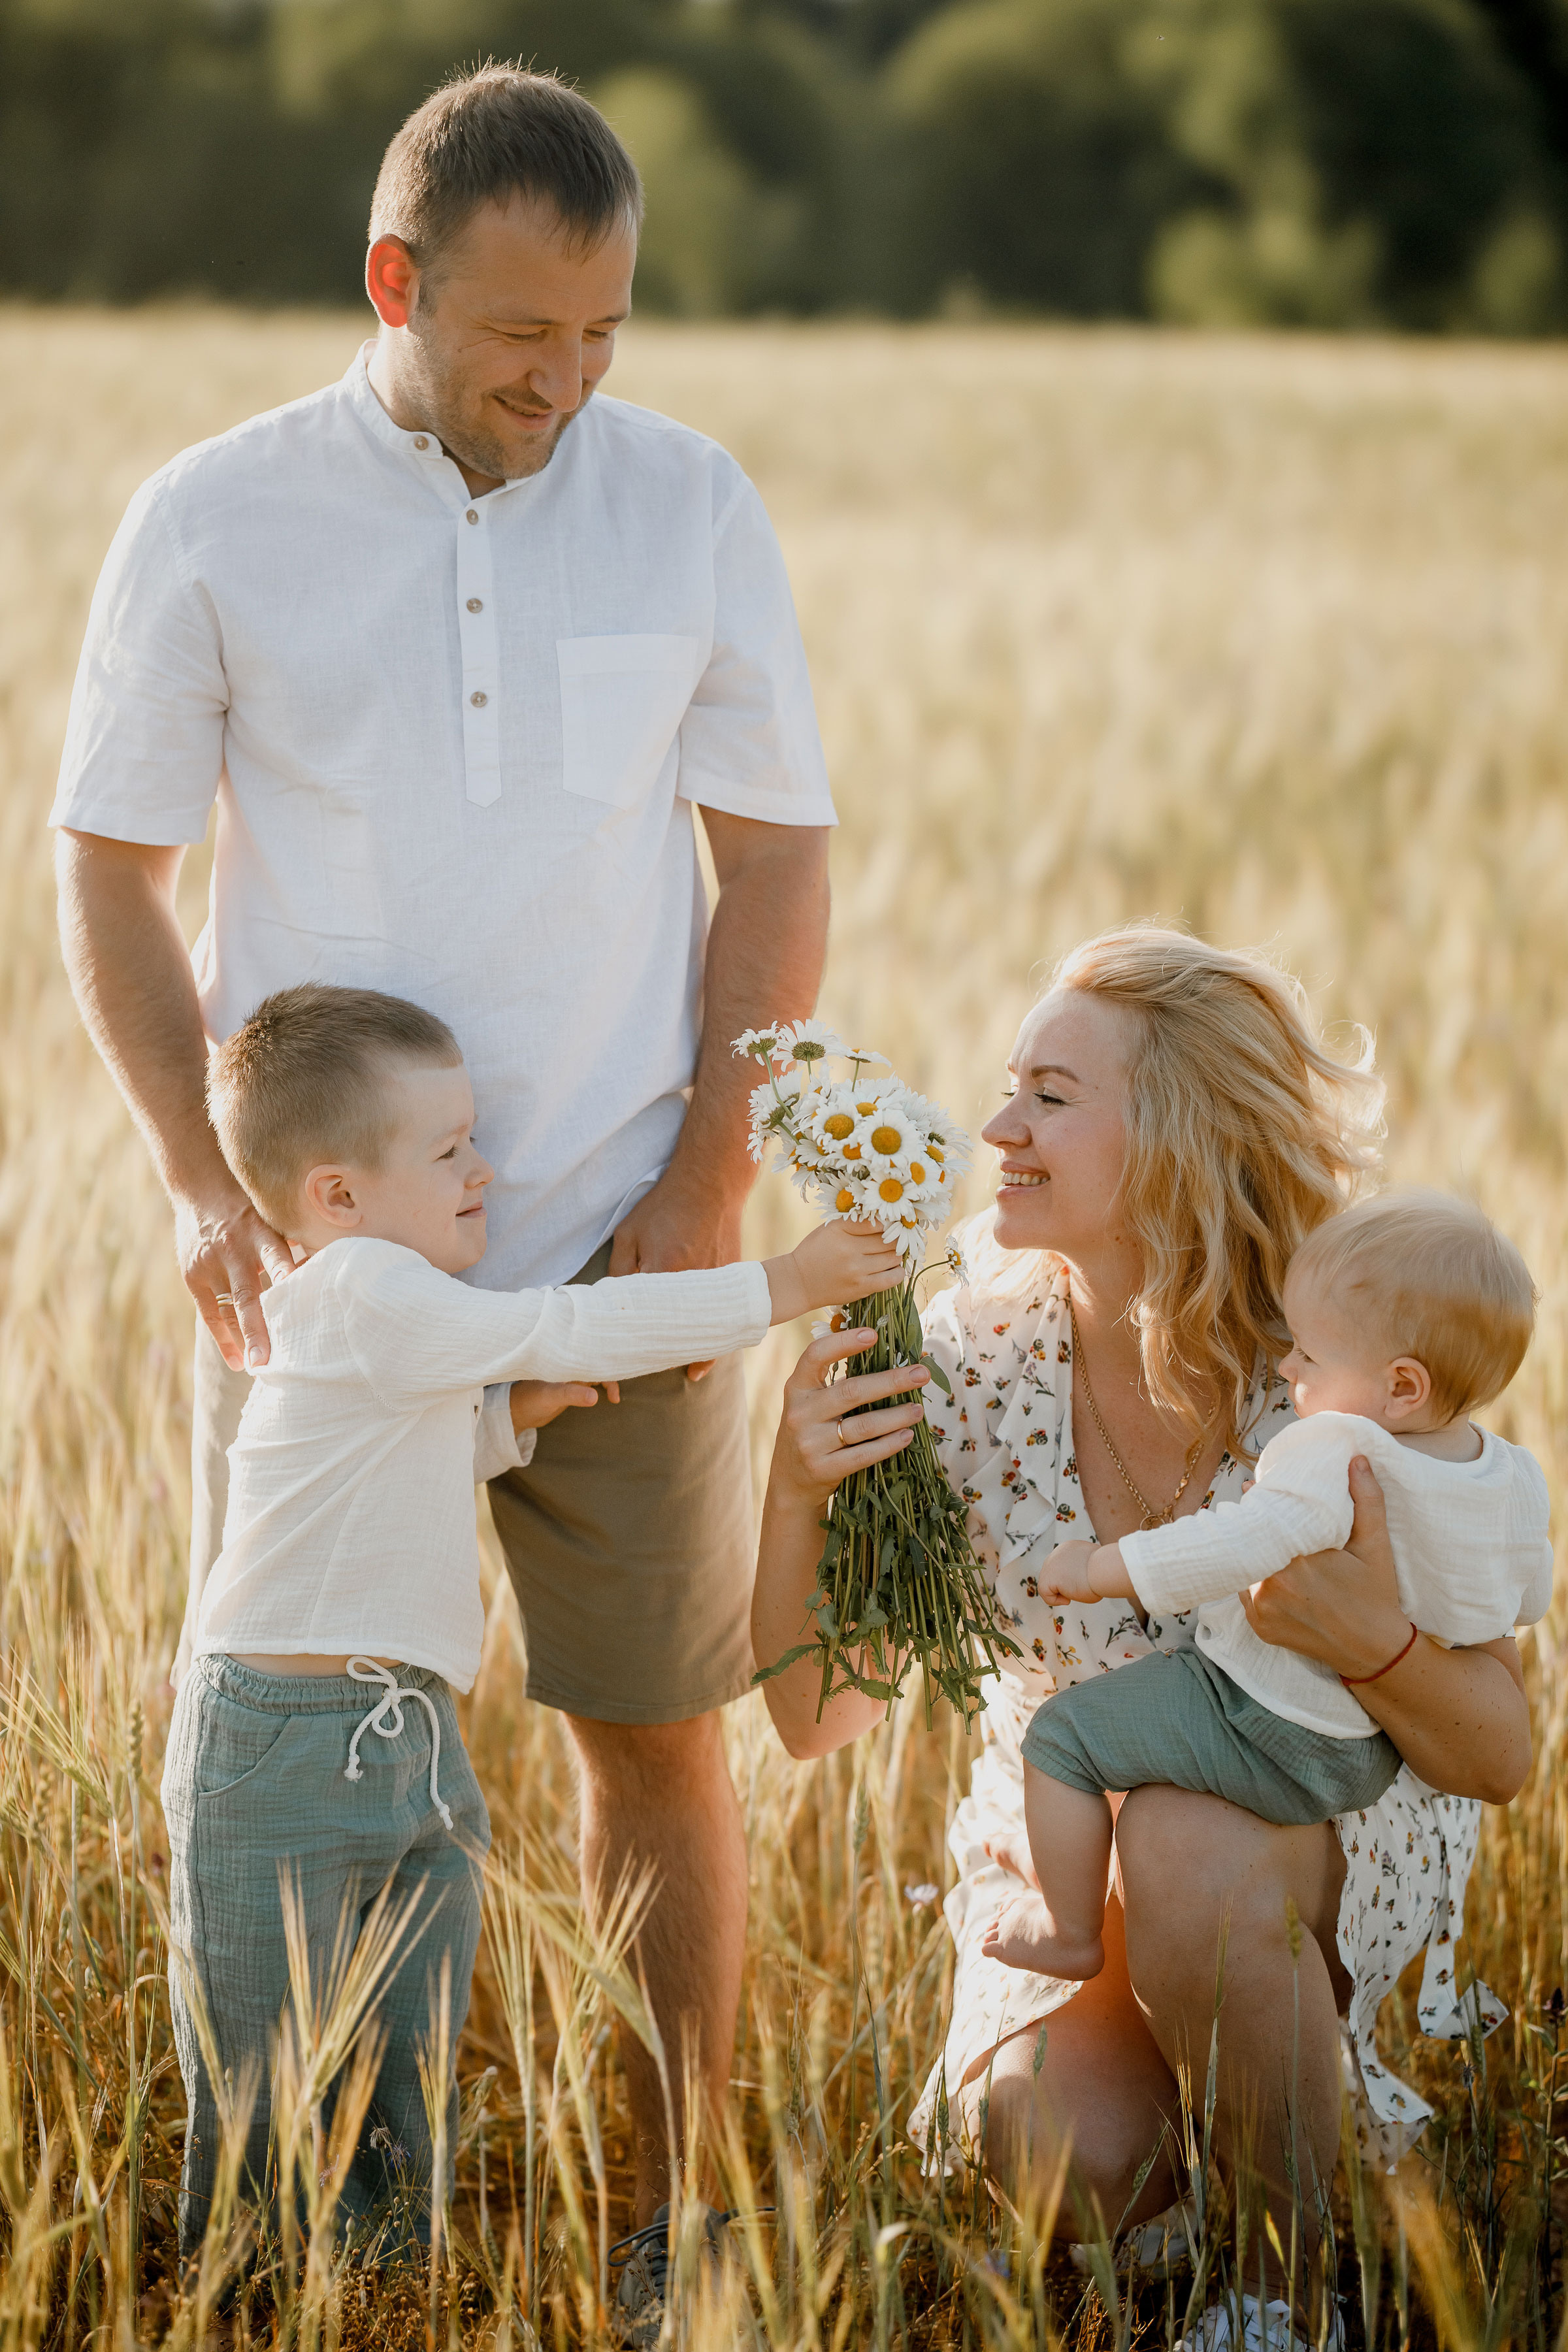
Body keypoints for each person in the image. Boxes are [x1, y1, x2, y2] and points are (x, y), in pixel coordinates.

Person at [51, 65, 834, 2321]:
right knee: (295, 1743)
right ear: (392, 283)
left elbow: (773, 859)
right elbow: (102, 870)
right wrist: (203, 1189)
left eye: (605, 334)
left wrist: (706, 1193)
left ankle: (675, 2232)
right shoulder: (212, 516)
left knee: (656, 1750)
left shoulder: (687, 506)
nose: (568, 384)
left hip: (616, 1233)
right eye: (521, 338)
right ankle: (306, 2227)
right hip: (323, 1296)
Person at [751, 926, 1535, 2352]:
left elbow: (1499, 1753)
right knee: (1069, 2168)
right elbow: (816, 1723)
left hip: (1304, 1820)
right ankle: (1263, 2133)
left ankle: (1299, 2296)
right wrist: (792, 1492)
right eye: (1008, 1087)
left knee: (1185, 1833)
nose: (997, 1127)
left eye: (1050, 1094)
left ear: (1176, 1134)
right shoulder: (963, 1358)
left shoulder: (1345, 1366)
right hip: (1063, 1850)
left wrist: (1374, 1645)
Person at [165, 981, 898, 2261]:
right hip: (279, 1748)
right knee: (263, 2058)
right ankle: (253, 2283)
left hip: (407, 1744)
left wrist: (513, 1423)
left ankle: (383, 2274)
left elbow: (397, 1467)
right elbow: (562, 1314)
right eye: (450, 1151)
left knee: (407, 2038)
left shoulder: (386, 1324)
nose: (485, 1170)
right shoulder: (362, 1294)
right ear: (336, 1198)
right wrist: (779, 1283)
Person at [985, 1189, 1550, 1984]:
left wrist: (1099, 1569)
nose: (1288, 1368)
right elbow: (1522, 1601)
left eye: (1310, 1356)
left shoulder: (1335, 1443)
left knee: (1061, 1738)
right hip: (1371, 1761)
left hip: (1271, 1719)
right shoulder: (1515, 1474)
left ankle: (1066, 1925)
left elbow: (1240, 1545)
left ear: (1401, 1388)